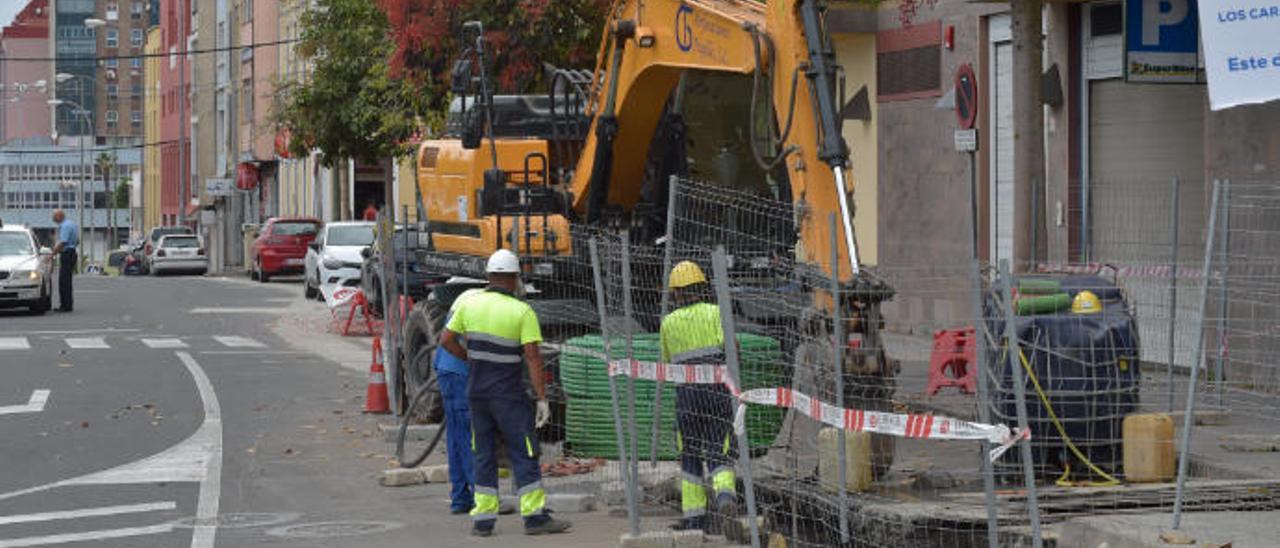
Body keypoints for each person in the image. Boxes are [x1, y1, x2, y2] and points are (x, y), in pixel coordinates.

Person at [440, 249, 571, 537]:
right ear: (513, 279)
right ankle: (535, 518)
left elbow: (446, 340)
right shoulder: (522, 311)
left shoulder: (470, 305)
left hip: (477, 393)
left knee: (483, 453)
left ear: (488, 276)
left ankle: (483, 521)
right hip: (508, 395)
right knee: (524, 451)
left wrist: (470, 359)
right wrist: (542, 399)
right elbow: (533, 358)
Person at [662, 260, 739, 534]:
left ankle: (694, 520)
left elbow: (668, 361)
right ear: (701, 287)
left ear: (675, 293)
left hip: (686, 396)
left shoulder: (668, 323)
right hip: (717, 392)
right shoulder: (717, 313)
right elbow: (734, 350)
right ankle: (725, 497)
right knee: (720, 449)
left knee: (690, 455)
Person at [435, 287, 483, 515]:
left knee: (456, 437)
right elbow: (458, 340)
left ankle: (461, 498)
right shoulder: (481, 306)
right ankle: (481, 496)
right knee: (469, 437)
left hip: (448, 371)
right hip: (459, 374)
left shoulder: (470, 297)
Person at [51, 209, 79, 312]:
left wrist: (53, 254)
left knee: (64, 282)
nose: (53, 218)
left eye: (54, 216)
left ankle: (65, 305)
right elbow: (77, 241)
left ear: (59, 216)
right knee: (67, 280)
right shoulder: (72, 224)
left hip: (66, 254)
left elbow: (63, 242)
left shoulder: (64, 226)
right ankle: (68, 304)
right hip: (72, 253)